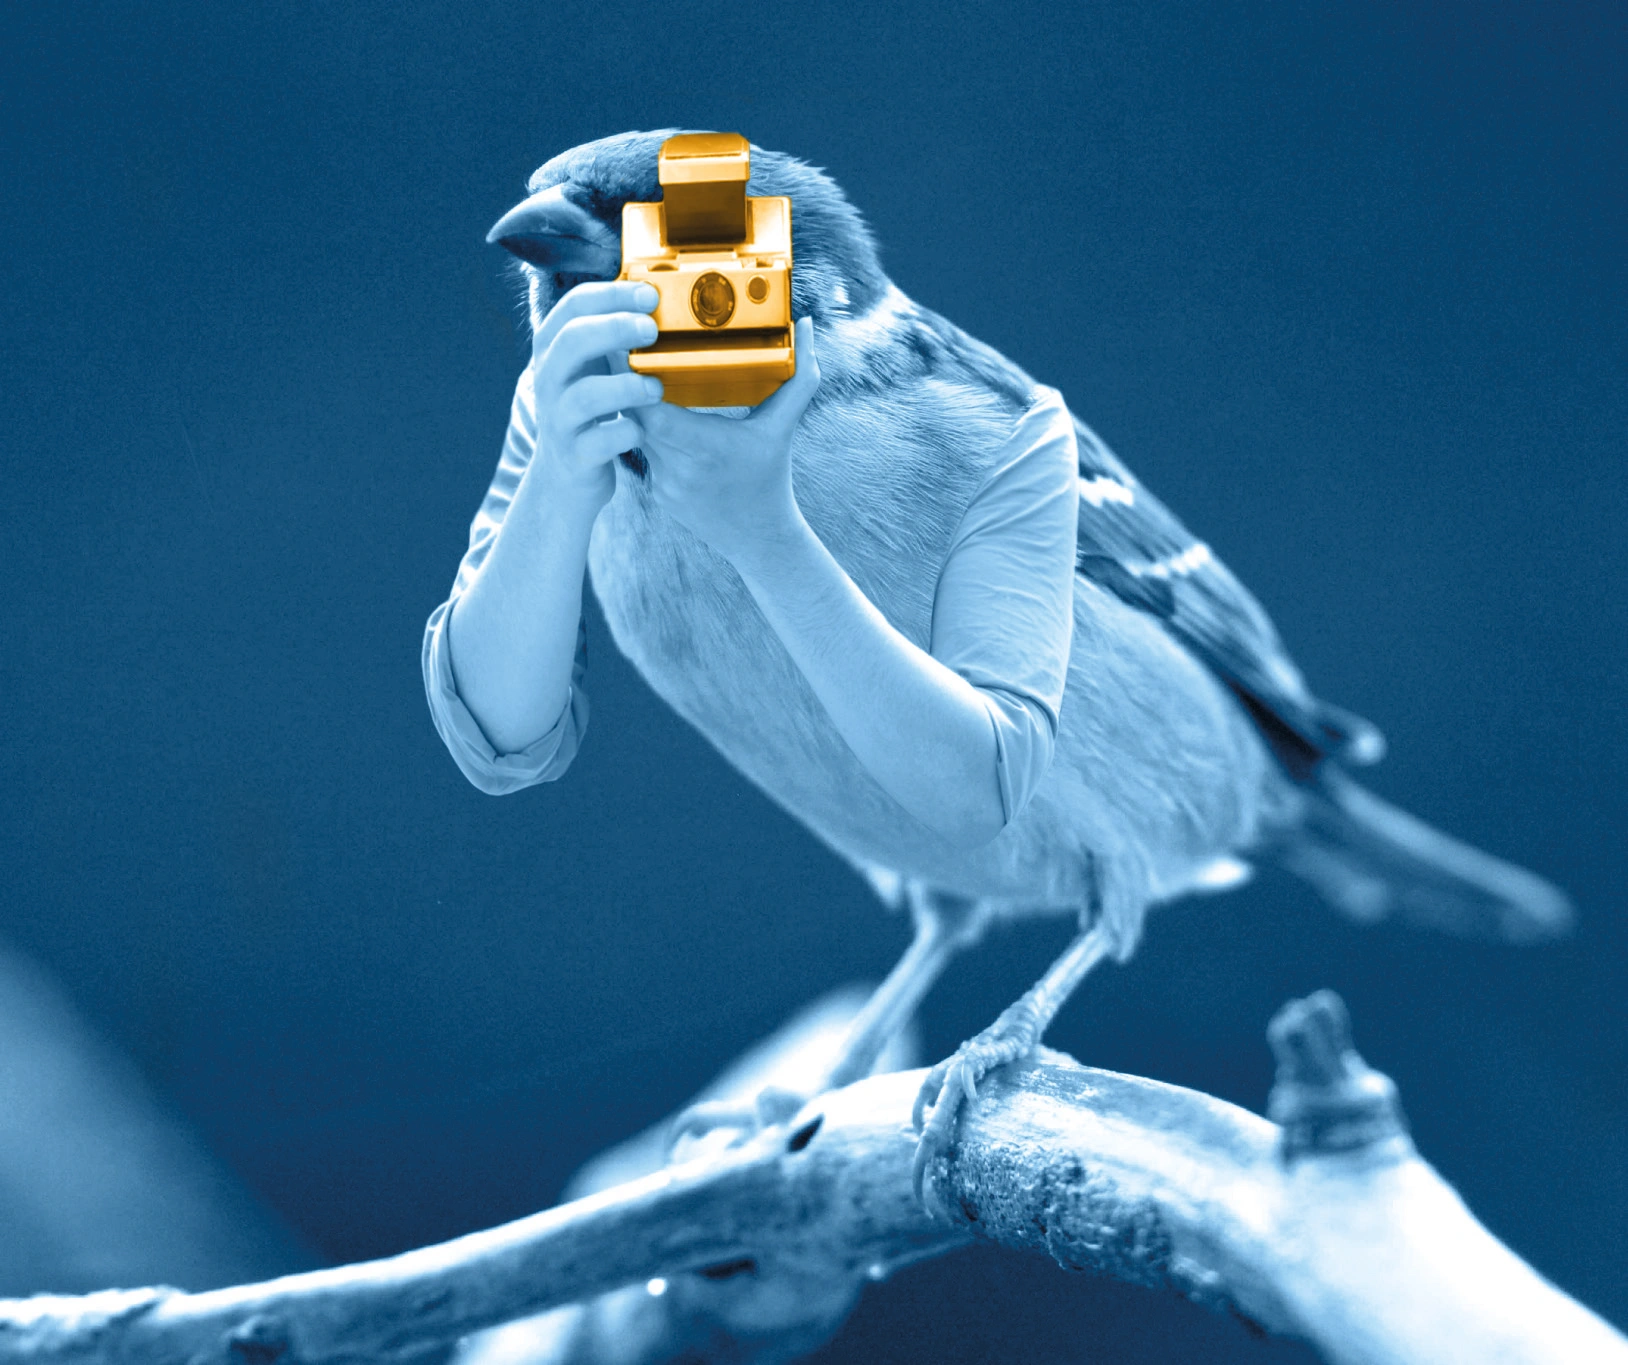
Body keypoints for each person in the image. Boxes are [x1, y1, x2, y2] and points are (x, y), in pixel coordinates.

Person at [422, 282, 1081, 849]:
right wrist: (557, 482)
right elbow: (497, 740)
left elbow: (983, 788)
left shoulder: (977, 412)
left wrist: (765, 535)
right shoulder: (569, 399)